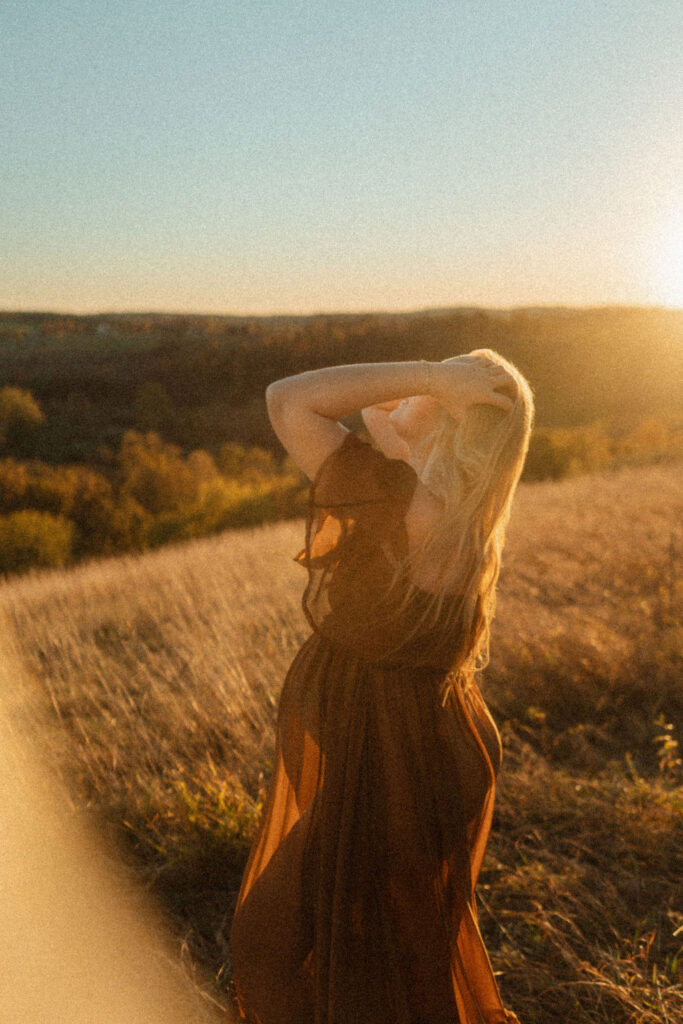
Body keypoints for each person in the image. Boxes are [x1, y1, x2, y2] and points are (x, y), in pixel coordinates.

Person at [230, 351, 534, 1024]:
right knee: (379, 958)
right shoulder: (441, 500)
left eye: (451, 381)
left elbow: (288, 397)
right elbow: (370, 412)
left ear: (458, 422)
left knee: (272, 946)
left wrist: (429, 375)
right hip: (403, 748)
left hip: (394, 758)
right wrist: (430, 398)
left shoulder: (414, 507)